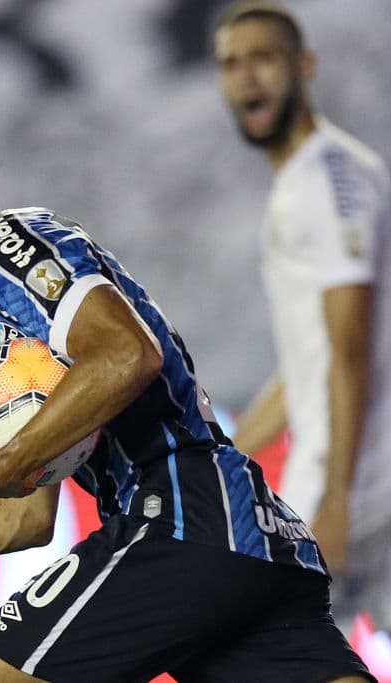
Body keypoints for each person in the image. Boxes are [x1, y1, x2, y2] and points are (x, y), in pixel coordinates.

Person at [0, 118, 375, 682]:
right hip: (242, 539)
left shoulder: (6, 246)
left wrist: (8, 458)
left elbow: (128, 354)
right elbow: (21, 516)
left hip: (178, 519)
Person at [214, 1, 391, 633]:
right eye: (231, 64)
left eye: (263, 58)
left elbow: (351, 350)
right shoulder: (317, 178)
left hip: (361, 488)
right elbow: (311, 365)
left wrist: (338, 499)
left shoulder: (325, 181)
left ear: (304, 65)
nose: (247, 78)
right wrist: (221, 454)